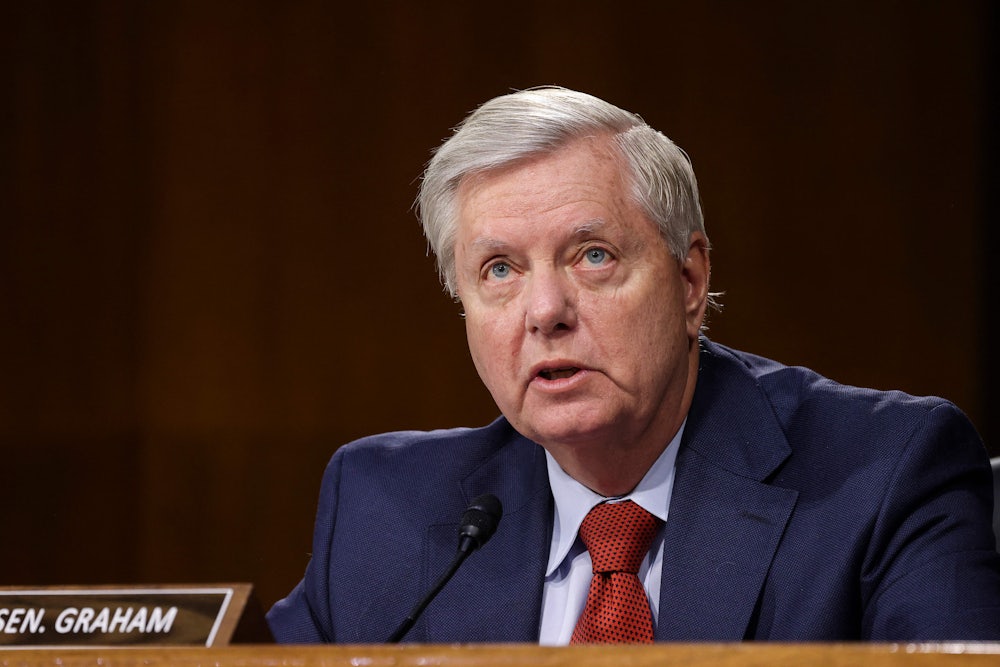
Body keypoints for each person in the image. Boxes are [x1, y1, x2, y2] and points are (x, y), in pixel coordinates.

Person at [266, 86, 1000, 643]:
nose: (544, 309)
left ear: (689, 281)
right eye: (498, 269)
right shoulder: (384, 510)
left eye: (593, 255)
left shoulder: (885, 475)